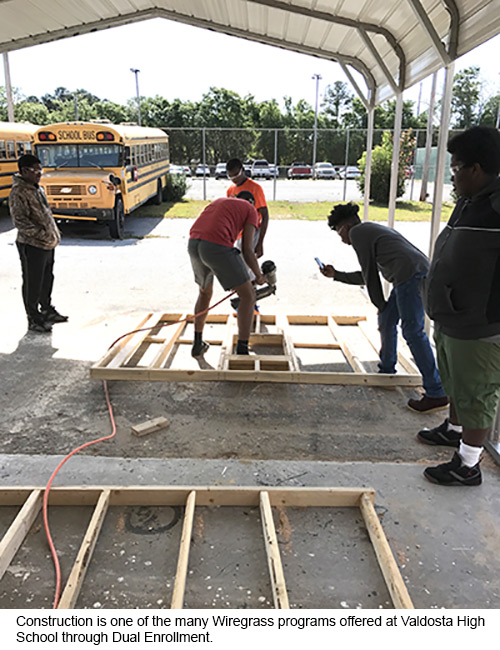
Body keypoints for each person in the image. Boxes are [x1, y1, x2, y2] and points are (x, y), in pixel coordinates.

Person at [418, 126, 500, 486]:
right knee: (456, 382)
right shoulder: (472, 201)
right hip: (452, 316)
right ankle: (454, 429)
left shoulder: (497, 205)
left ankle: (467, 464)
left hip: (478, 323)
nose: (452, 175)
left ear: (477, 169)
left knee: (476, 391)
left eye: (456, 168)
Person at [320, 202, 448, 413]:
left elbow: (370, 277)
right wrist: (337, 275)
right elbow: (366, 274)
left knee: (413, 332)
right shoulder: (368, 231)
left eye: (338, 232)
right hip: (409, 275)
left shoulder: (359, 233)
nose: (341, 239)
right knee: (388, 319)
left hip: (411, 276)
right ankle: (387, 368)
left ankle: (436, 393)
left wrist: (379, 303)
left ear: (346, 227)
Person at [188, 192, 265, 357]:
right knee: (248, 296)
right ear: (251, 202)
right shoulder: (251, 210)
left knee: (204, 293)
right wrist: (258, 276)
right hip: (216, 246)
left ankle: (197, 343)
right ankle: (243, 350)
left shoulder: (221, 201)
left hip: (194, 243)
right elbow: (247, 250)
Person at [9, 154, 67, 333]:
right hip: (32, 245)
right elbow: (20, 221)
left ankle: (46, 309)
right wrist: (42, 235)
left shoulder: (36, 188)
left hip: (47, 244)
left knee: (46, 278)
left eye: (40, 170)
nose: (39, 174)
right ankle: (33, 317)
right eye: (36, 170)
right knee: (32, 281)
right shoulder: (19, 192)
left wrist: (52, 234)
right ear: (24, 171)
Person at [226, 158, 269, 259]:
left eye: (236, 175)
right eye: (230, 176)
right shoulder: (230, 190)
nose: (233, 178)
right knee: (242, 267)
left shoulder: (255, 188)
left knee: (245, 267)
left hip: (252, 232)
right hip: (238, 234)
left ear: (243, 170)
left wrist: (260, 242)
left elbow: (265, 216)